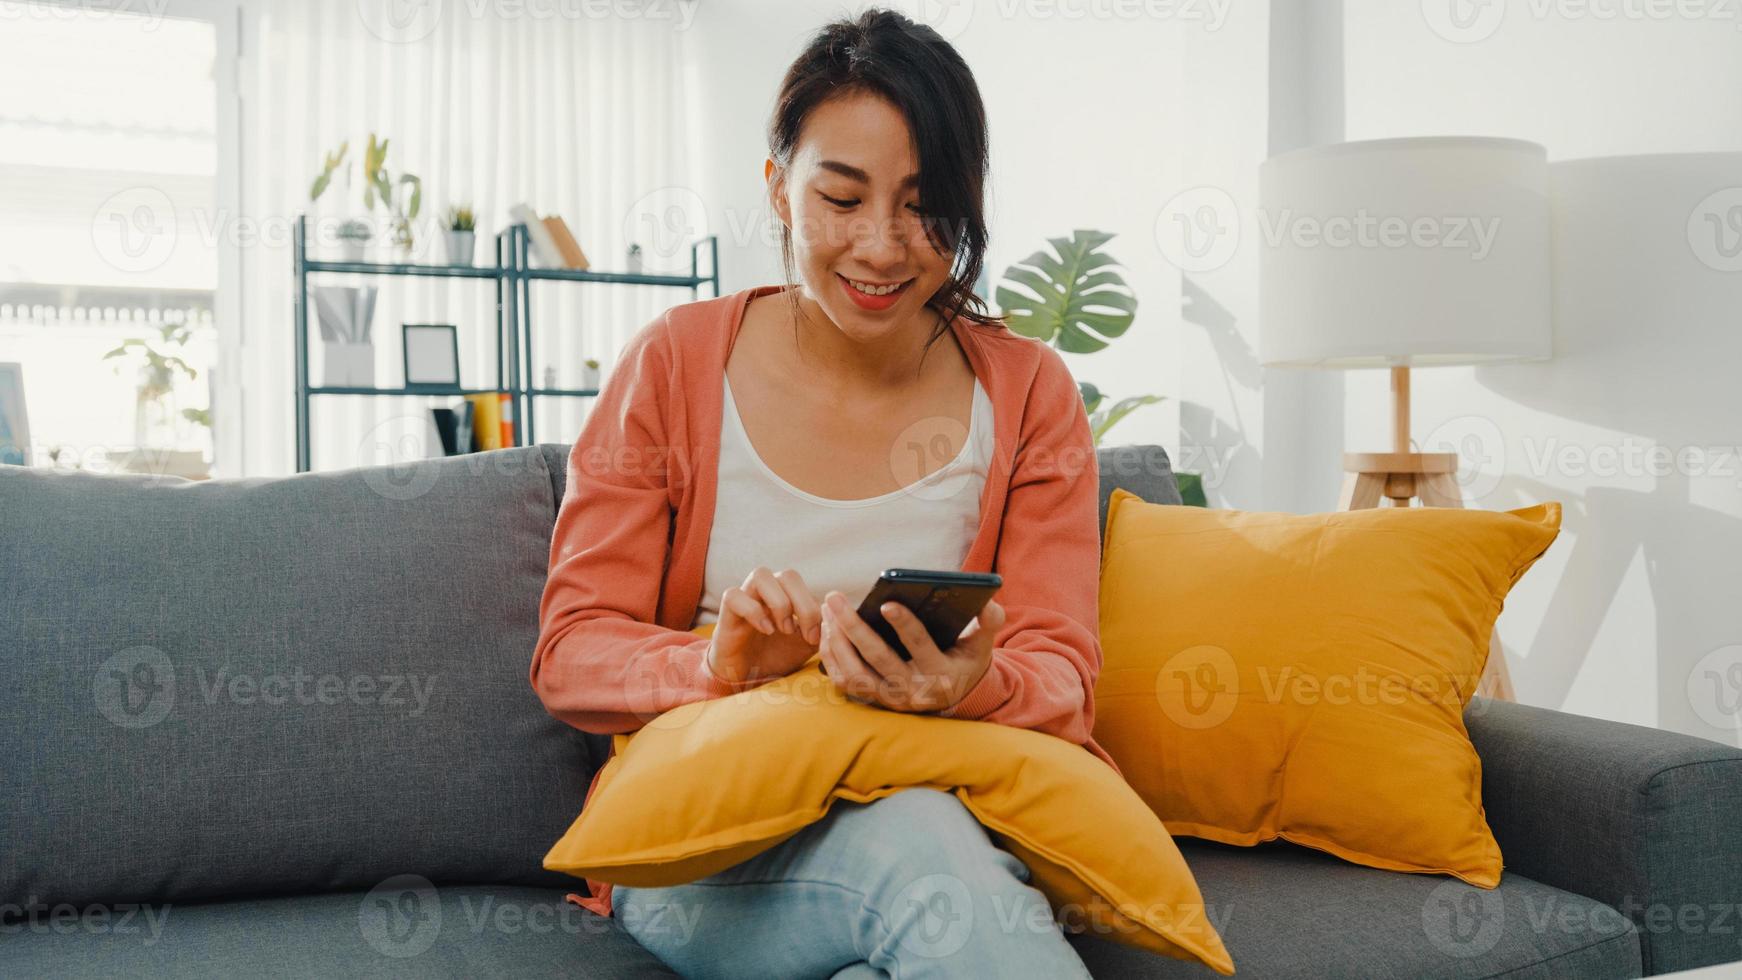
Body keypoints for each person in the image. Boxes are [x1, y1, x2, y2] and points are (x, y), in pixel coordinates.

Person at [530, 9, 1119, 978]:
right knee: (920, 857)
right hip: (703, 845)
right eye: (840, 199)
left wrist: (972, 682)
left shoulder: (1026, 395)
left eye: (922, 206)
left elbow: (1062, 667)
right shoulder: (675, 365)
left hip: (943, 811)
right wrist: (718, 664)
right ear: (776, 189)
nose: (881, 248)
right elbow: (571, 652)